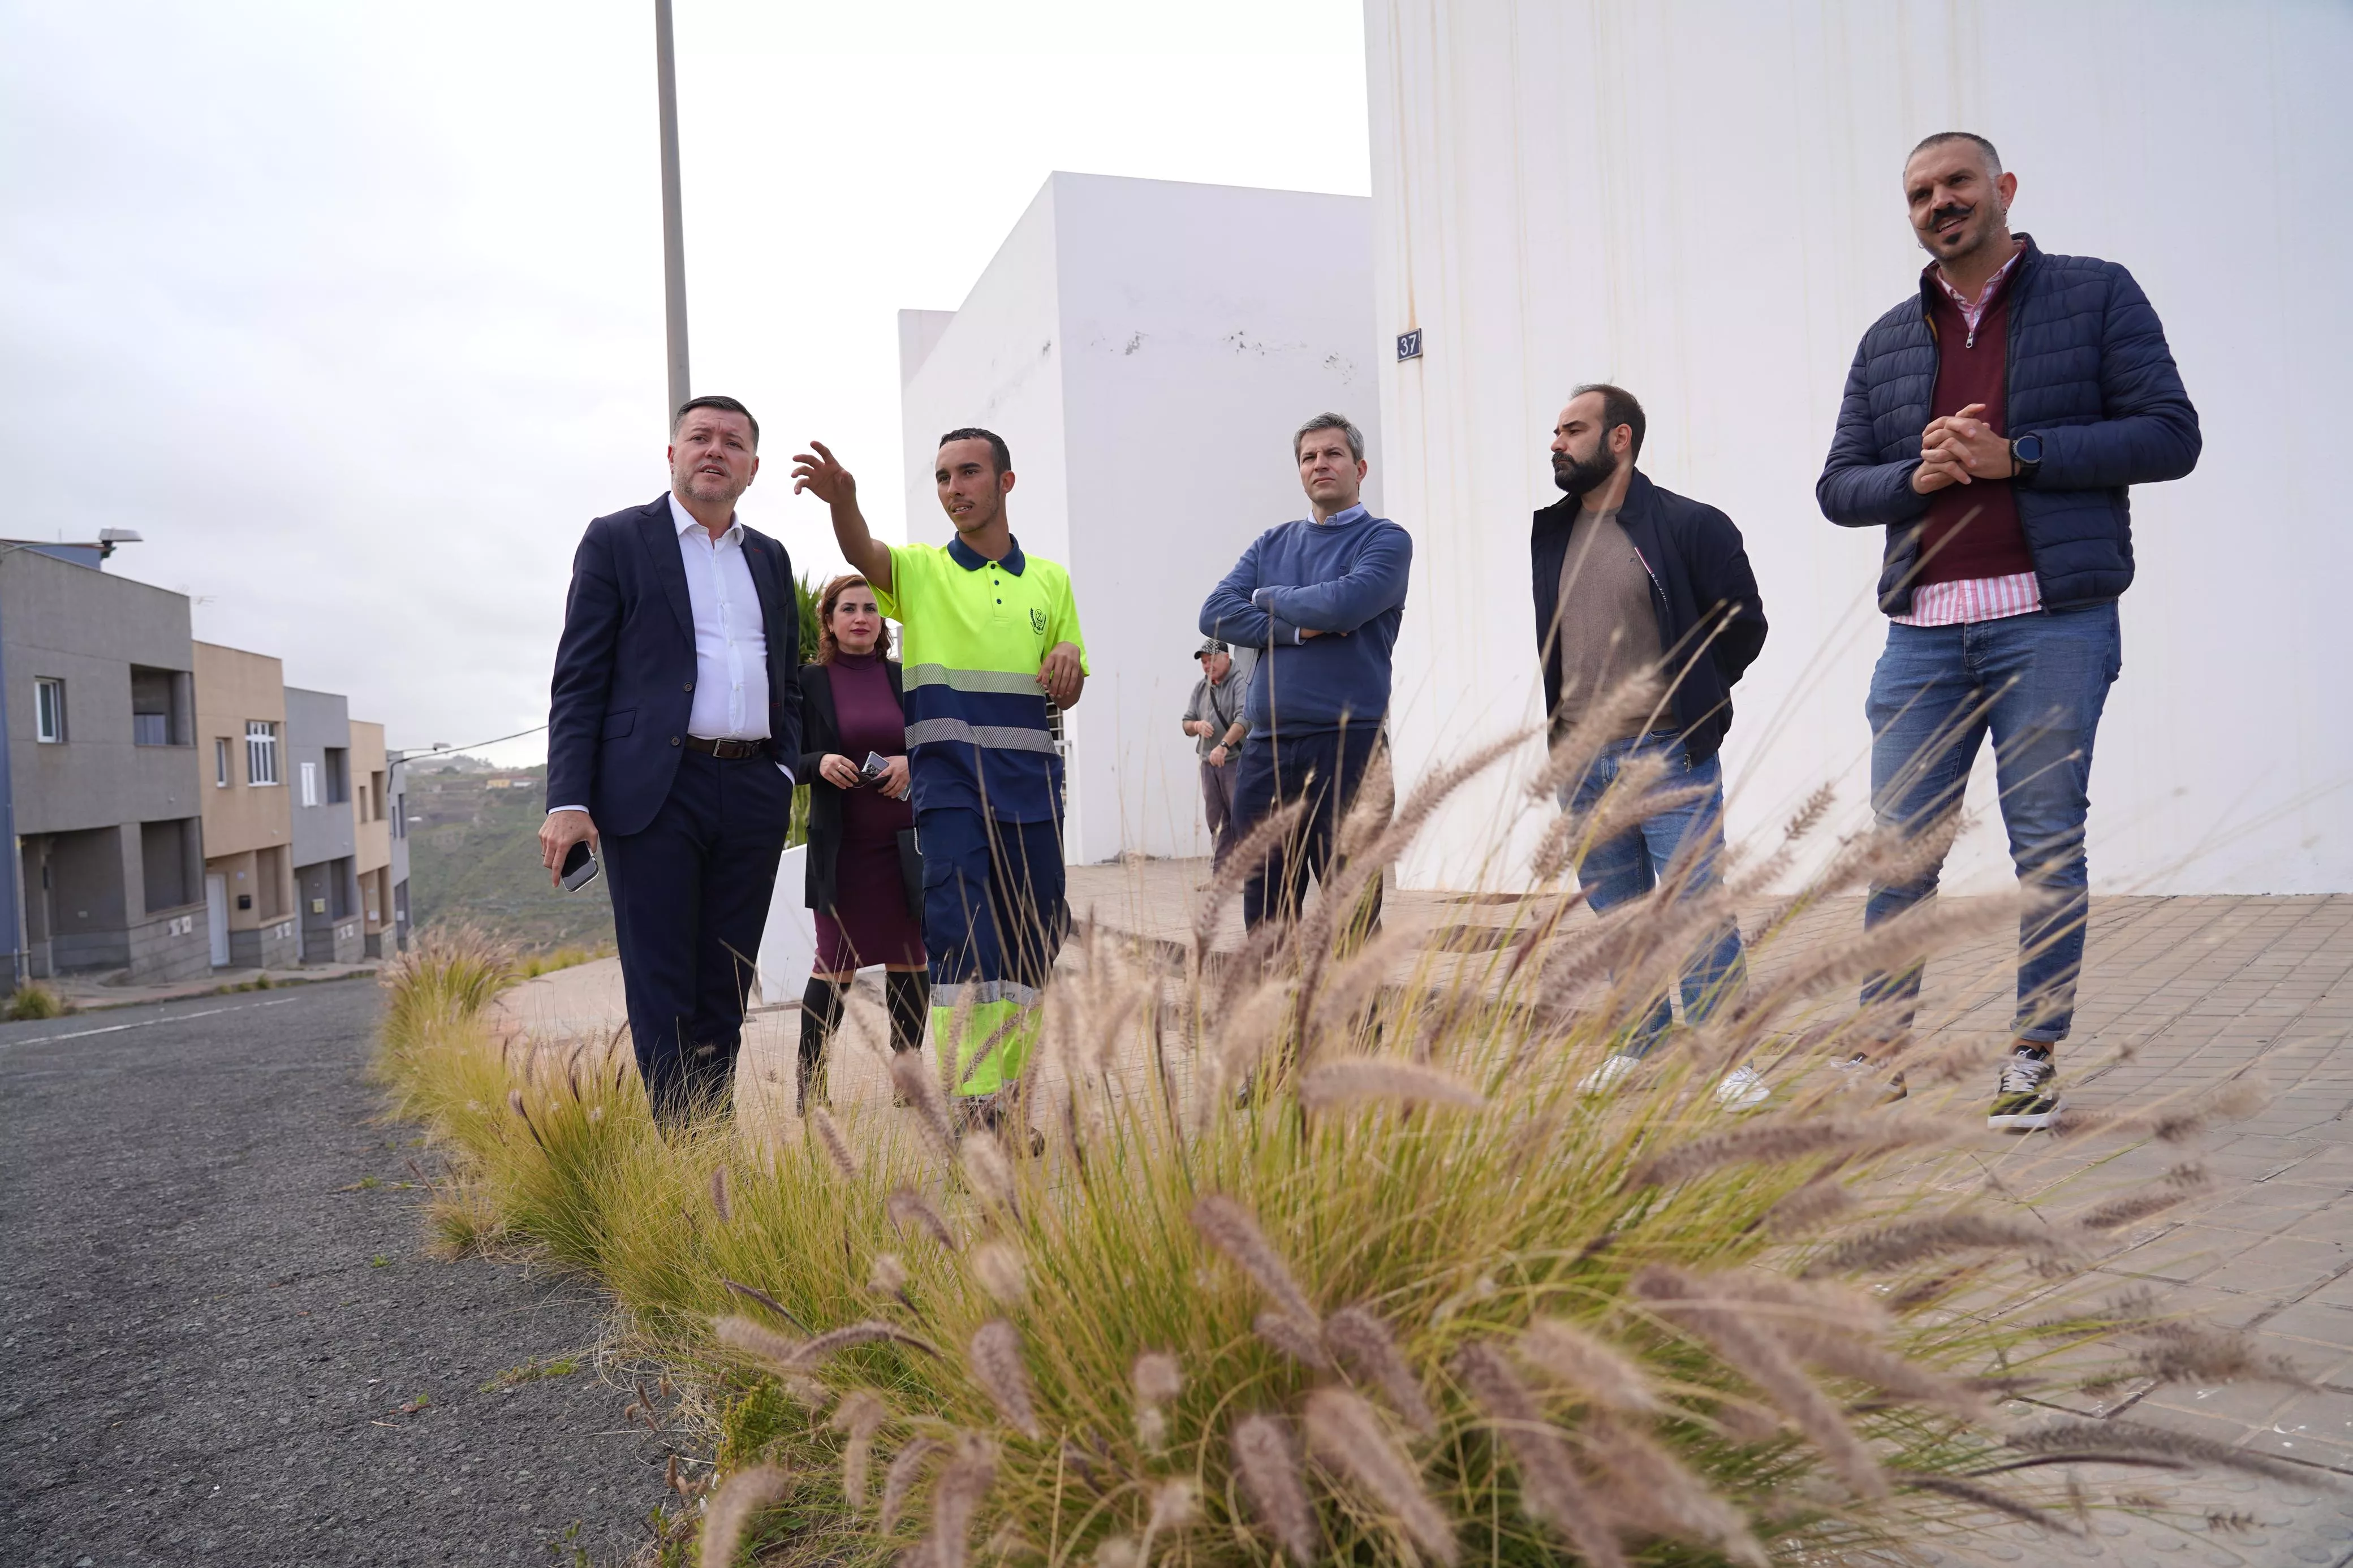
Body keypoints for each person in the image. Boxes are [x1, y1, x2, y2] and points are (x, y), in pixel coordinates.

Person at [1818, 131, 2200, 1131]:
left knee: (2045, 847)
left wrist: (2014, 456)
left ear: (2004, 188)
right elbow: (1837, 485)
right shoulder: (1889, 339)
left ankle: (2032, 1054)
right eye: (1919, 192)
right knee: (1900, 856)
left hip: (2053, 623)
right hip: (1921, 637)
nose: (1939, 202)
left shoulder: (2096, 292)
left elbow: (2170, 434)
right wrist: (1917, 477)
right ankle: (1878, 1053)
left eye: (1956, 183)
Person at [790, 429, 1087, 1130]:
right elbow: (861, 554)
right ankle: (976, 1106)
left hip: (1035, 791)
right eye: (943, 477)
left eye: (969, 473)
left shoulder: (1051, 580)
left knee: (1029, 945)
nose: (954, 488)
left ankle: (1008, 1099)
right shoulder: (920, 573)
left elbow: (1065, 688)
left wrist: (1069, 652)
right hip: (951, 789)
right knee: (962, 941)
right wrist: (844, 504)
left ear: (1005, 482)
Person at [541, 395, 804, 1124]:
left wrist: (782, 769)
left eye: (731, 441)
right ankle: (685, 1157)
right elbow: (580, 678)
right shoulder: (618, 540)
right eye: (699, 437)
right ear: (672, 454)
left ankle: (709, 1136)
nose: (713, 450)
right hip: (655, 791)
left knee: (725, 980)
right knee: (663, 982)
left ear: (752, 466)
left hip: (753, 788)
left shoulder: (771, 558)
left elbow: (786, 674)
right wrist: (568, 798)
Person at [1533, 383, 1770, 1108]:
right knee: (1618, 912)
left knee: (1694, 906)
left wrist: (1693, 697)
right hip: (1581, 758)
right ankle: (1638, 1040)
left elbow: (1744, 627)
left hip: (1669, 752)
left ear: (1619, 439)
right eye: (1554, 432)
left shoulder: (1688, 524)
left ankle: (1723, 1053)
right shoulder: (1550, 531)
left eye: (1572, 430)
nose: (1556, 443)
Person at [1201, 413, 1410, 935]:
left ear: (1360, 468)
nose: (1320, 464)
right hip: (1266, 754)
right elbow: (1215, 615)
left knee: (1351, 918)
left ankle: (1357, 1022)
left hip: (1350, 750)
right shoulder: (1271, 543)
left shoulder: (1385, 540)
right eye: (1309, 457)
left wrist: (1267, 597)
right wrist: (1294, 630)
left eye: (1333, 454)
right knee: (1267, 918)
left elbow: (1344, 604)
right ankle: (1278, 1021)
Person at [794, 573, 928, 1112]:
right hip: (842, 848)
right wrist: (819, 762)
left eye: (871, 609)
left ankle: (908, 1076)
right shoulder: (809, 682)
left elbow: (936, 745)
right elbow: (783, 755)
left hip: (905, 844)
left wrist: (909, 762)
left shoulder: (906, 680)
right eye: (848, 608)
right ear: (829, 620)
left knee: (910, 959)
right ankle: (811, 1085)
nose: (861, 618)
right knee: (834, 962)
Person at [1181, 638, 1249, 867]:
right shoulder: (1202, 687)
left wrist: (1224, 745)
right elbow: (1186, 723)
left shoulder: (1240, 681)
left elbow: (1245, 718)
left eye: (1212, 661)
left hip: (1234, 761)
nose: (1207, 666)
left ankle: (1246, 875)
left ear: (1226, 658)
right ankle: (1221, 875)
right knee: (1216, 820)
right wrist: (1197, 726)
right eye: (1204, 662)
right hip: (1208, 764)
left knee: (1241, 818)